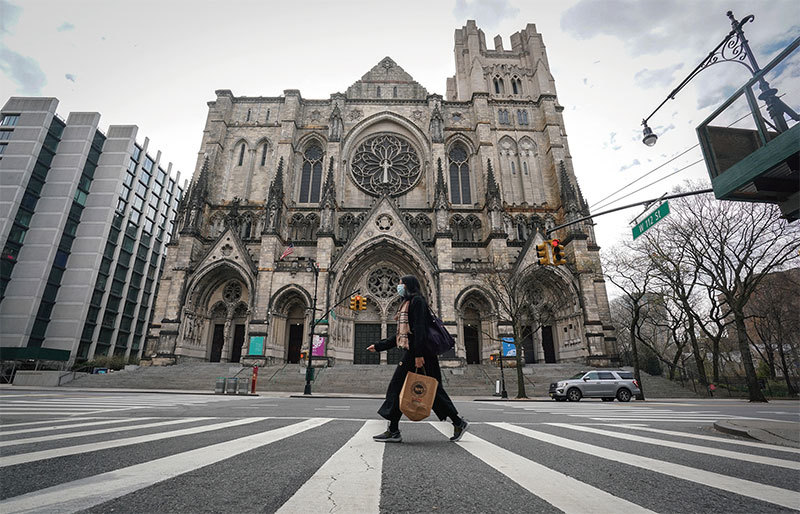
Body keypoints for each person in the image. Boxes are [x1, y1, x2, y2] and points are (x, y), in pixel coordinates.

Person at [367, 275, 468, 443]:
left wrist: (419, 356)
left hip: (420, 354)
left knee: (403, 387)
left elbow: (420, 330)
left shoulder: (417, 302)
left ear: (408, 286)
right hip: (416, 352)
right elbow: (402, 334)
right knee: (431, 391)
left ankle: (393, 430)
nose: (398, 287)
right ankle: (458, 422)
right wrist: (379, 346)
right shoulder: (407, 303)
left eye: (400, 284)